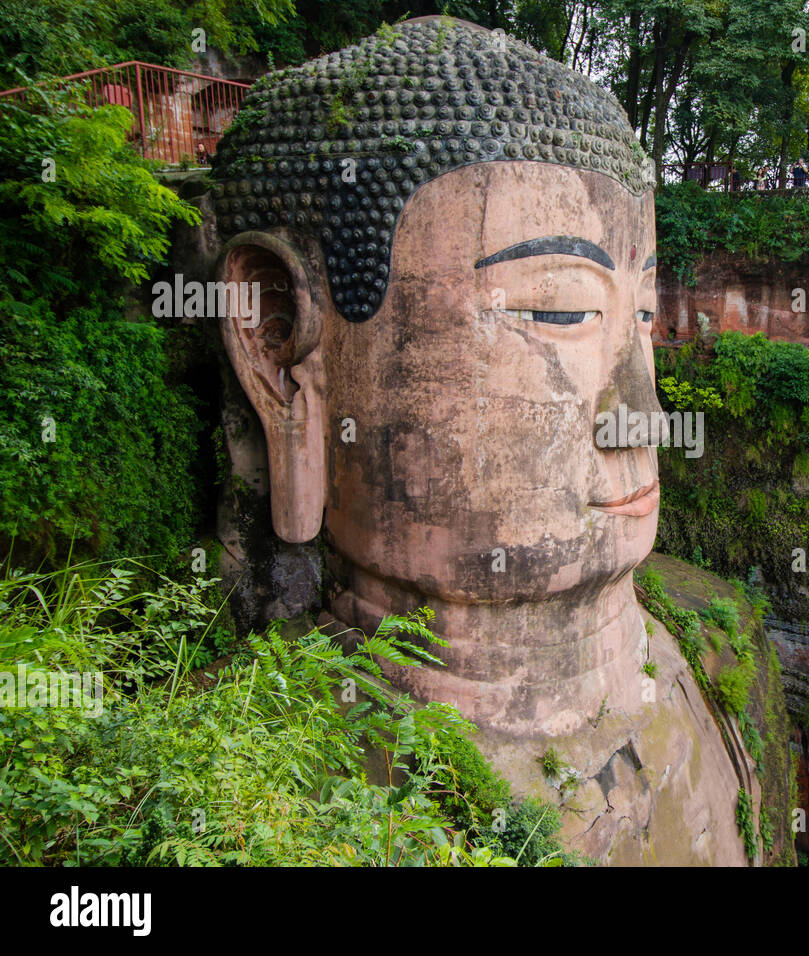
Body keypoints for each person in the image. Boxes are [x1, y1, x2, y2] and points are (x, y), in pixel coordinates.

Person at [211, 15, 750, 865]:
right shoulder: (262, 812)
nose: (641, 416)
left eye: (643, 316)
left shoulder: (718, 658)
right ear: (280, 349)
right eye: (562, 310)